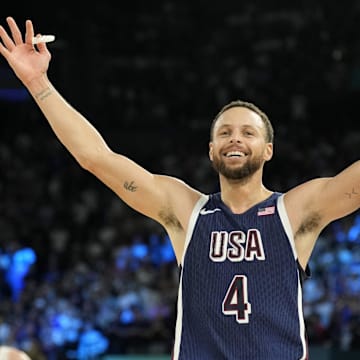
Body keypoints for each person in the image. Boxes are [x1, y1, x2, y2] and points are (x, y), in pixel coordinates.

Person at [0, 16, 359, 360]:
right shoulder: (187, 211)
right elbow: (96, 157)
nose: (235, 138)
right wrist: (38, 84)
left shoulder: (295, 211)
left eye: (248, 132)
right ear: (211, 150)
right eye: (224, 132)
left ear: (268, 150)